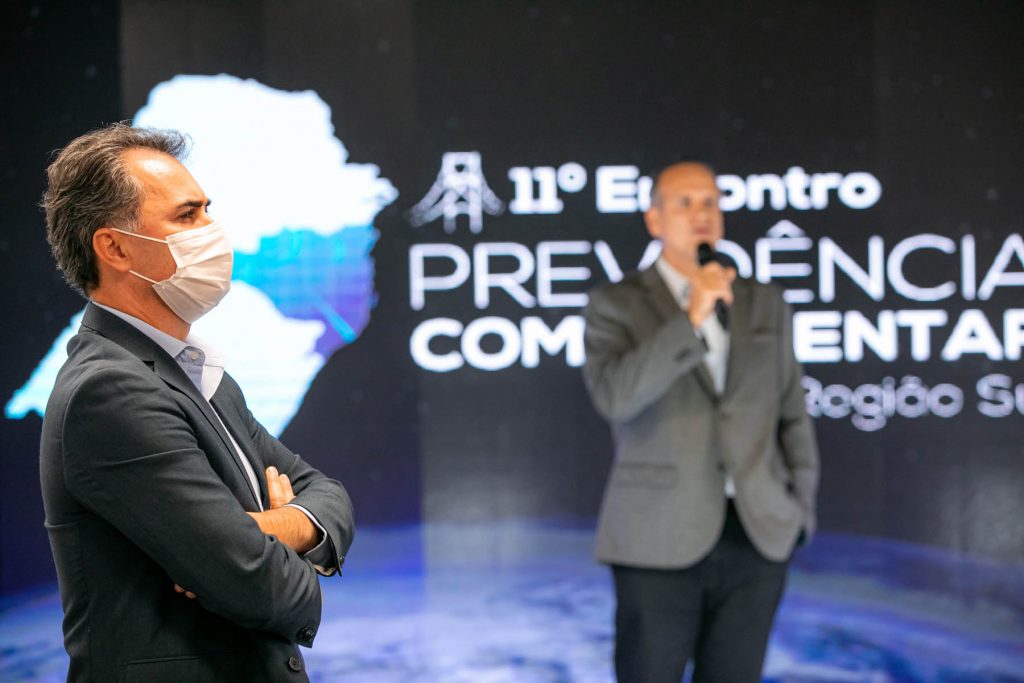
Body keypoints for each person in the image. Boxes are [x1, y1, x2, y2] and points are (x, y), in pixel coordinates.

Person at [39, 123, 355, 682]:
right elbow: (261, 586)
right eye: (187, 216)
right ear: (114, 248)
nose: (213, 231)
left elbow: (328, 494)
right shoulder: (110, 391)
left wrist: (263, 529)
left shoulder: (199, 374)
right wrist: (265, 546)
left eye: (208, 210)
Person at [582, 162, 819, 682]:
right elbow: (616, 396)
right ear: (654, 220)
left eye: (710, 202)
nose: (701, 214)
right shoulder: (615, 303)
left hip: (757, 532)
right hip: (656, 537)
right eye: (685, 203)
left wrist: (797, 507)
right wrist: (690, 318)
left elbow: (791, 413)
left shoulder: (764, 301)